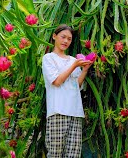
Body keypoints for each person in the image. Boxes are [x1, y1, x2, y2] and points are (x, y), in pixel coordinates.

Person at [42, 24, 93, 157]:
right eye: (63, 37)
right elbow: (57, 81)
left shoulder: (73, 60)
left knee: (73, 155)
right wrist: (74, 65)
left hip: (75, 112)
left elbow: (77, 85)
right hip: (58, 110)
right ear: (54, 36)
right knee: (55, 154)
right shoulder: (48, 58)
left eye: (69, 39)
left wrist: (85, 70)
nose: (66, 41)